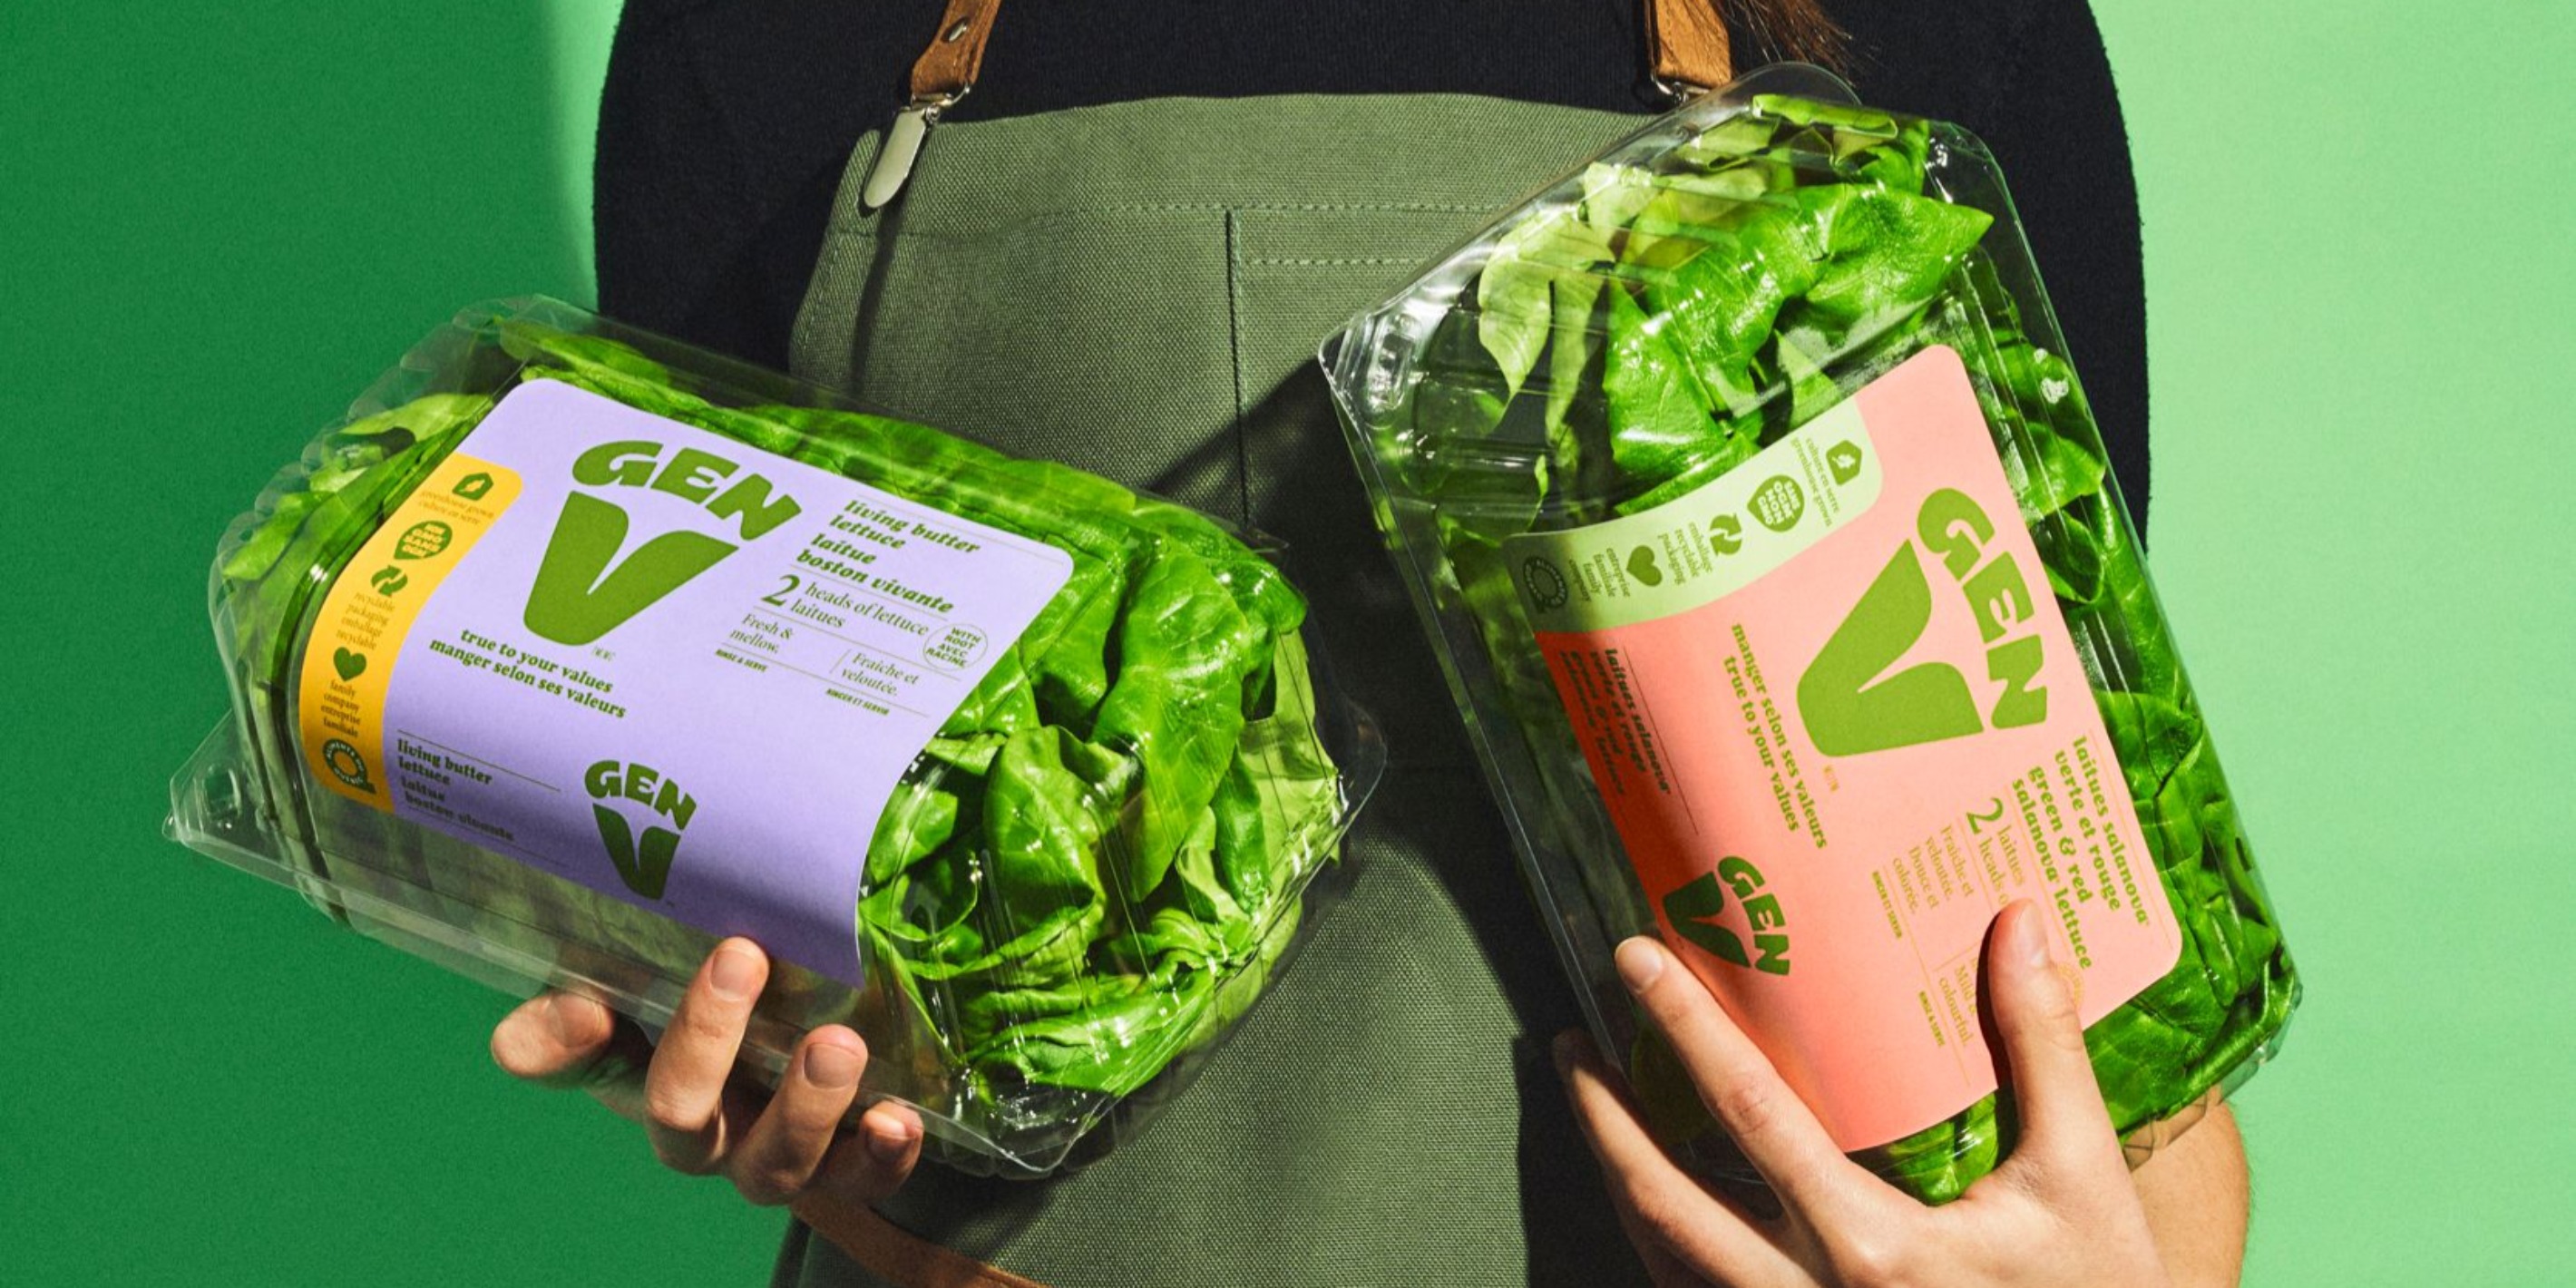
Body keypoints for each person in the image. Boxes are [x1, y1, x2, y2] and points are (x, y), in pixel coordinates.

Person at [488, 2, 2253, 1283]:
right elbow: (741, 841)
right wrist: (715, 1010)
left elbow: (2106, 1053)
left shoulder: (1936, 20)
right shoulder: (767, 32)